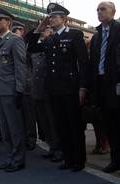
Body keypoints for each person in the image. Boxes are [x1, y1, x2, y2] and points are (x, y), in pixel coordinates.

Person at [31, 3, 90, 172]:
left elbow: (83, 63)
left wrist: (83, 87)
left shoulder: (74, 34)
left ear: (63, 19)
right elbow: (32, 48)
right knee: (61, 125)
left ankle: (78, 160)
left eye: (54, 17)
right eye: (49, 17)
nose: (51, 19)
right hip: (54, 89)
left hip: (71, 88)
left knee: (74, 125)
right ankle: (68, 158)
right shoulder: (49, 38)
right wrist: (38, 30)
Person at [0, 8, 27, 172]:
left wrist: (20, 90)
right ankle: (10, 157)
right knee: (4, 128)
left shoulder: (15, 40)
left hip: (11, 90)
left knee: (14, 127)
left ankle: (18, 159)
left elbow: (20, 67)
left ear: (8, 23)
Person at [90, 1, 120, 173]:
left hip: (116, 83)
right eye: (97, 10)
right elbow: (93, 63)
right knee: (110, 125)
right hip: (102, 85)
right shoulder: (97, 36)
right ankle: (115, 160)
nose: (99, 12)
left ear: (113, 12)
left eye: (103, 9)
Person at [26, 25, 63, 162]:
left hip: (49, 90)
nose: (45, 31)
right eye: (44, 28)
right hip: (37, 89)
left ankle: (59, 148)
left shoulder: (53, 44)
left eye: (48, 28)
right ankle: (52, 147)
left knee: (53, 121)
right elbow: (30, 46)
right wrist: (37, 30)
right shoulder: (37, 46)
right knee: (44, 122)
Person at [12, 20, 38, 151]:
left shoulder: (26, 45)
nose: (16, 34)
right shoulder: (11, 44)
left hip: (27, 85)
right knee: (18, 115)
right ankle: (22, 138)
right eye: (14, 31)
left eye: (18, 31)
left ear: (22, 32)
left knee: (29, 115)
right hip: (14, 85)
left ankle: (31, 139)